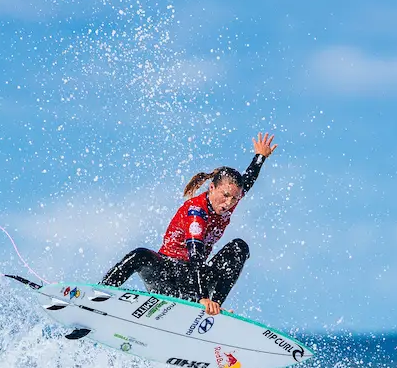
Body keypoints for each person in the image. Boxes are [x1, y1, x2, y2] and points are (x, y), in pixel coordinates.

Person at [99, 132, 278, 319]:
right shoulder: (196, 212)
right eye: (225, 196)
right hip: (167, 276)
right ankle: (99, 296)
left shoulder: (229, 200)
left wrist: (260, 157)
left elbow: (247, 180)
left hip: (195, 281)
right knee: (140, 255)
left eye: (234, 198)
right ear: (212, 188)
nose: (229, 203)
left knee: (239, 247)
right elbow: (196, 256)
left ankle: (213, 307)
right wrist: (201, 296)